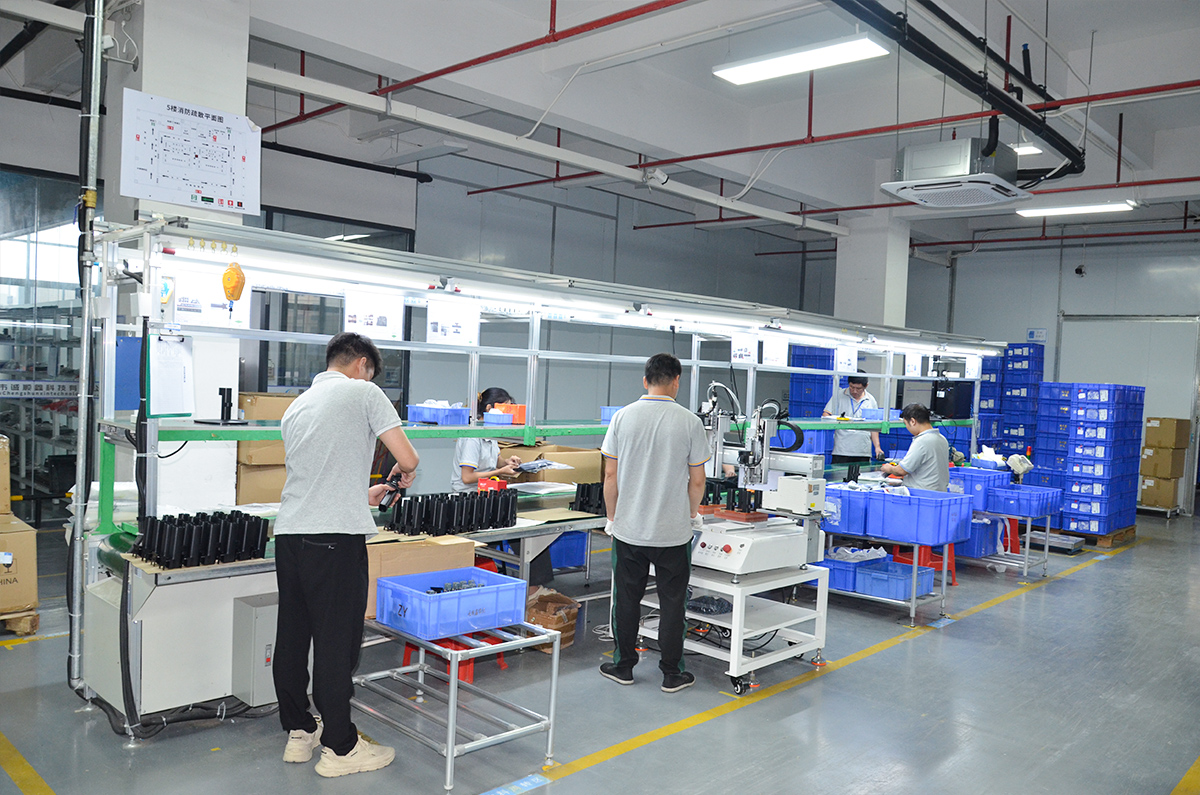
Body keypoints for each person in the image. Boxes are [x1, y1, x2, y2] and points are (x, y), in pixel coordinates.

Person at [273, 332, 420, 778]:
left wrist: (363, 493)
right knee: (336, 643)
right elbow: (409, 457)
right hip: (335, 540)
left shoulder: (298, 405)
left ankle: (299, 730)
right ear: (361, 365)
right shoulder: (364, 392)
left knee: (293, 635)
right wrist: (403, 471)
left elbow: (318, 474)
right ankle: (340, 747)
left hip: (291, 534)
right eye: (370, 373)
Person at [600, 353, 709, 693]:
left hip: (629, 531)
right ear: (677, 381)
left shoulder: (622, 417)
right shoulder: (690, 422)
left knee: (626, 600)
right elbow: (698, 480)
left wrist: (612, 518)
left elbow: (610, 475)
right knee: (673, 604)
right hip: (673, 534)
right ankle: (672, 673)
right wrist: (691, 514)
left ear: (645, 381)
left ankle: (623, 667)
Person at [451, 386, 523, 493]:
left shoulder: (490, 432)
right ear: (489, 408)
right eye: (505, 410)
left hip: (484, 490)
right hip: (467, 494)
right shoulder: (473, 438)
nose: (507, 415)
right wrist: (500, 471)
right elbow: (467, 477)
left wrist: (507, 462)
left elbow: (496, 460)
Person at [881, 403, 949, 492]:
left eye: (906, 424)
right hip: (939, 492)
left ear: (913, 421)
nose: (907, 428)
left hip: (921, 493)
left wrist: (889, 468)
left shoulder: (922, 441)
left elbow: (901, 470)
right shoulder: (942, 439)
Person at [822, 371, 885, 464]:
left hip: (863, 450)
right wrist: (836, 423)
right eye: (852, 387)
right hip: (842, 450)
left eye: (858, 388)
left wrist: (877, 447)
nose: (854, 391)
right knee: (839, 472)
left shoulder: (871, 400)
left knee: (862, 473)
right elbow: (826, 414)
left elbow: (874, 427)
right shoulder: (839, 395)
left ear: (866, 386)